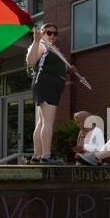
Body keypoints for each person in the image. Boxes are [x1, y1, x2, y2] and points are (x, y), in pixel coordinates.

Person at [26, 22, 77, 165]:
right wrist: (36, 41)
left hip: (48, 84)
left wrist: (68, 70)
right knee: (48, 121)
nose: (53, 35)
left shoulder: (53, 48)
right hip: (46, 83)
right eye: (49, 32)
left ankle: (37, 155)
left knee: (42, 122)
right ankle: (46, 155)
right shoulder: (42, 44)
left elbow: (53, 65)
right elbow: (31, 61)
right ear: (42, 33)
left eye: (55, 33)